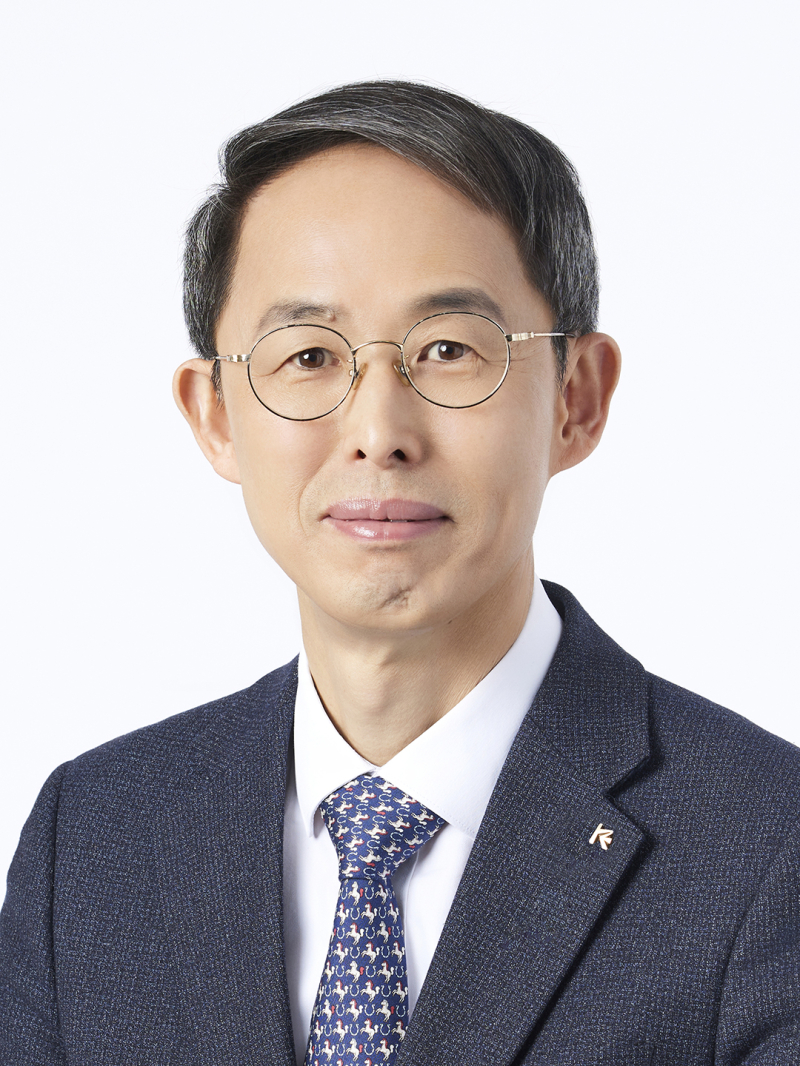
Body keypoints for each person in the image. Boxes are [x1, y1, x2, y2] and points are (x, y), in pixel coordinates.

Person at [1, 80, 798, 1066]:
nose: (378, 433)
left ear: (576, 400)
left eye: (449, 349)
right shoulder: (94, 839)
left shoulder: (767, 845)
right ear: (214, 415)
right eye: (307, 357)